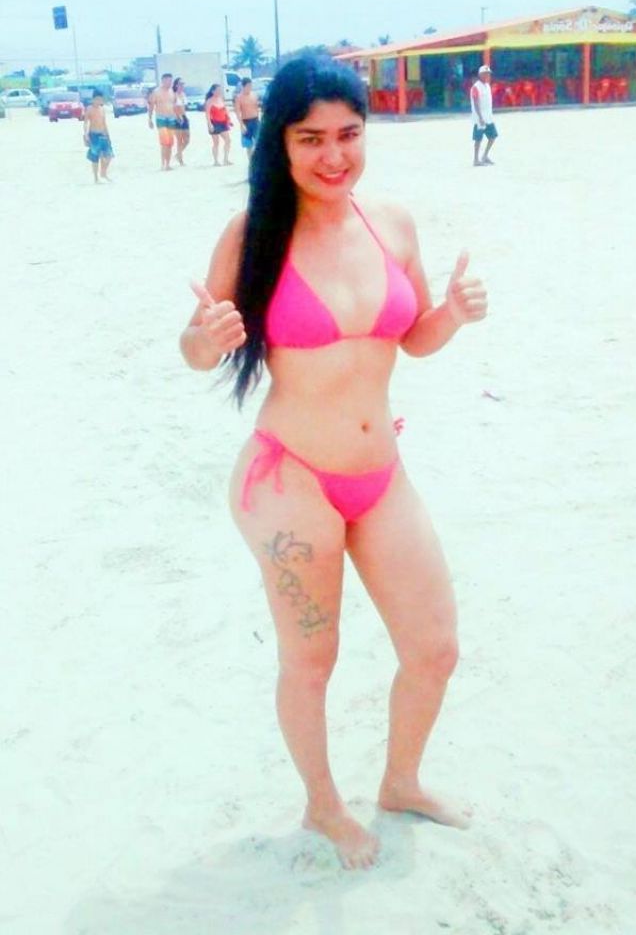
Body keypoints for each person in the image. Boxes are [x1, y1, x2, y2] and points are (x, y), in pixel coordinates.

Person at [180, 57, 488, 870]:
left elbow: (412, 336)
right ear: (280, 144)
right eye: (310, 138)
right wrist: (204, 341)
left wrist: (452, 315)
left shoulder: (392, 223)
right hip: (290, 479)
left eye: (348, 134)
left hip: (381, 474)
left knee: (435, 648)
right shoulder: (252, 235)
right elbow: (198, 347)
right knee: (312, 660)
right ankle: (323, 806)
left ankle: (401, 781)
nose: (333, 155)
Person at [83, 89, 114, 183]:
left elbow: (104, 123)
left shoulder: (102, 109)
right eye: (97, 99)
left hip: (103, 134)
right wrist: (86, 134)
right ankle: (96, 178)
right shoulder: (89, 109)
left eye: (100, 99)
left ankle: (103, 173)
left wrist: (108, 136)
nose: (98, 101)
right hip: (94, 135)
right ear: (93, 99)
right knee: (95, 157)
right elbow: (86, 122)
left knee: (108, 155)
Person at [470, 64, 498, 167]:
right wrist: (480, 117)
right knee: (478, 139)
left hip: (488, 116)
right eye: (485, 74)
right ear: (480, 75)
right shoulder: (476, 87)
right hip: (479, 118)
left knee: (493, 136)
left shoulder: (487, 86)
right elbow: (476, 103)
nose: (488, 76)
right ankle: (476, 159)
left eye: (488, 74)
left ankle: (485, 156)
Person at [148, 72, 177, 170]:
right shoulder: (156, 92)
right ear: (163, 81)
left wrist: (178, 116)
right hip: (161, 118)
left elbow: (174, 105)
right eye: (168, 81)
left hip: (171, 118)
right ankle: (163, 163)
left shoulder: (172, 91)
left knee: (170, 143)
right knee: (164, 141)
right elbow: (151, 105)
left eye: (171, 81)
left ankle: (168, 163)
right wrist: (150, 119)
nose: (170, 83)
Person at [234, 77, 260, 164]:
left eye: (250, 86)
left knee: (259, 142)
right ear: (243, 86)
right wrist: (242, 125)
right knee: (248, 145)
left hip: (255, 120)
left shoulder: (254, 95)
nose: (250, 88)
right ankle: (251, 163)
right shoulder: (239, 97)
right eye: (248, 86)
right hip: (246, 121)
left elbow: (257, 108)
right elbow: (237, 112)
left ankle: (259, 161)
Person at [204, 83, 232, 166]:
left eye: (220, 90)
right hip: (214, 123)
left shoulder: (221, 98)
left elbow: (225, 110)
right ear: (213, 91)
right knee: (216, 142)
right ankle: (216, 161)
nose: (219, 91)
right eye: (218, 90)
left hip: (223, 122)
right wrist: (210, 124)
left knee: (228, 140)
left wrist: (229, 119)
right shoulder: (209, 101)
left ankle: (225, 159)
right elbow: (207, 114)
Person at [172, 77, 190, 166]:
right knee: (179, 140)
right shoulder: (174, 95)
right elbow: (172, 108)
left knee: (187, 139)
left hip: (184, 117)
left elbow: (183, 107)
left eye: (183, 84)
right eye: (180, 84)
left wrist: (184, 117)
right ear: (176, 85)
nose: (182, 85)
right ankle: (180, 160)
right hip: (176, 118)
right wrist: (178, 117)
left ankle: (178, 155)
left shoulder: (183, 94)